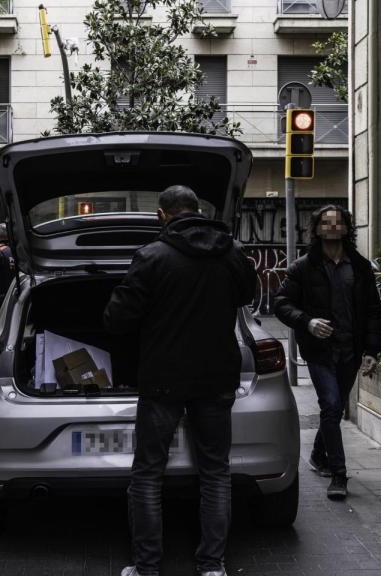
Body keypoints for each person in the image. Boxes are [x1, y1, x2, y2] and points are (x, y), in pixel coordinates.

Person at [103, 185, 256, 576]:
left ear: (161, 215)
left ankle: (147, 567)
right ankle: (211, 566)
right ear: (199, 210)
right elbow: (247, 296)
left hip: (163, 380)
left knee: (148, 473)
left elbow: (117, 318)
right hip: (217, 378)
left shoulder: (151, 256)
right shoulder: (232, 253)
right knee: (216, 472)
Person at [273, 205, 381, 500]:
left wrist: (372, 350)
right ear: (317, 229)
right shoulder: (302, 267)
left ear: (347, 228)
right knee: (331, 405)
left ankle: (318, 455)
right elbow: (281, 303)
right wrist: (307, 322)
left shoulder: (359, 267)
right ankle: (339, 474)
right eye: (326, 222)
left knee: (333, 410)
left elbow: (373, 311)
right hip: (320, 352)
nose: (332, 227)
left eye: (338, 222)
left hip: (350, 350)